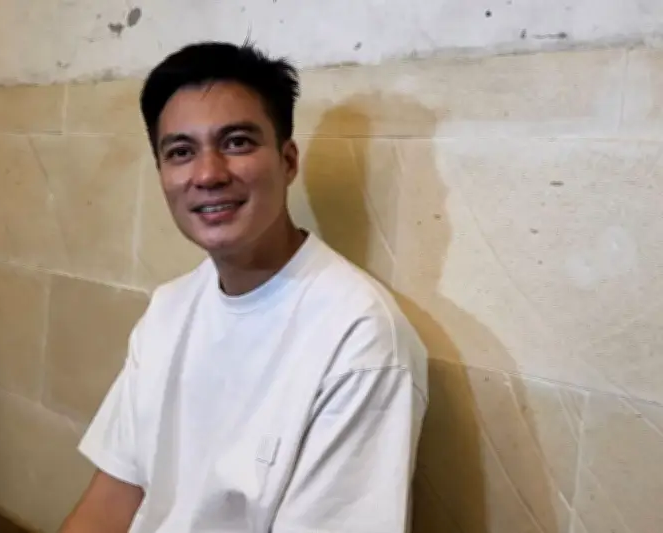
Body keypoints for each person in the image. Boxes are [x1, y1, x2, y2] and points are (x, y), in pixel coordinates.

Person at [60, 41, 428, 533]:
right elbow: (112, 499)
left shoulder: (358, 337)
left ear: (288, 161)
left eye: (236, 142)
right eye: (181, 152)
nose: (208, 174)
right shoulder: (169, 309)